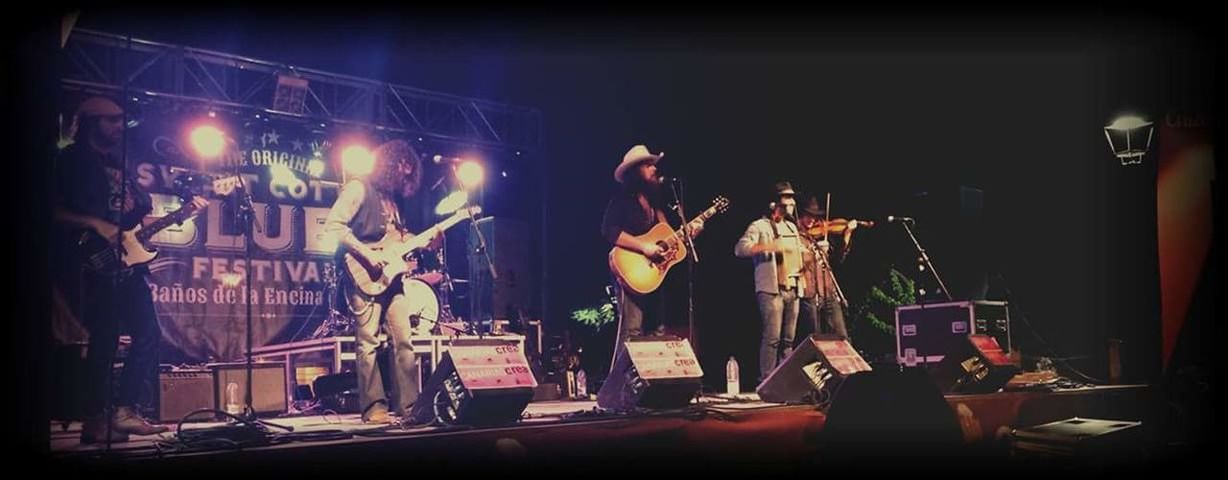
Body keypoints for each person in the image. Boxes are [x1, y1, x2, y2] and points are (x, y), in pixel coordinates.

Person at [54, 96, 207, 443]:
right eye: (113, 120)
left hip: (128, 264)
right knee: (104, 339)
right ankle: (96, 418)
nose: (120, 126)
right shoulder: (71, 160)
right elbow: (54, 211)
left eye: (122, 120)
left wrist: (183, 214)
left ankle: (124, 411)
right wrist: (96, 224)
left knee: (147, 333)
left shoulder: (121, 163)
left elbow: (135, 223)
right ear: (92, 123)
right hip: (88, 261)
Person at [325, 139, 436, 424]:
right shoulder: (359, 188)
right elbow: (334, 225)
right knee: (368, 343)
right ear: (389, 163)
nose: (405, 174)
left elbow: (396, 240)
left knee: (405, 341)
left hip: (393, 278)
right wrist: (366, 256)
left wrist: (425, 243)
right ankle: (374, 407)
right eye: (402, 166)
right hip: (363, 273)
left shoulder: (393, 202)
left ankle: (410, 407)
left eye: (409, 171)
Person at [734, 182, 807, 381]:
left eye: (792, 198)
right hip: (772, 290)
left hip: (794, 288)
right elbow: (740, 249)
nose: (792, 202)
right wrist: (769, 246)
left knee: (788, 341)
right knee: (772, 339)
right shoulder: (760, 226)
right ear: (774, 202)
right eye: (787, 197)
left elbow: (799, 255)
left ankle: (785, 381)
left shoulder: (792, 226)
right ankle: (767, 380)